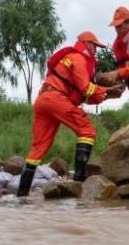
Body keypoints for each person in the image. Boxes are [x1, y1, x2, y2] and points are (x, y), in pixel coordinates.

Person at [17, 31, 123, 197]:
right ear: (86, 43)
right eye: (94, 46)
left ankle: (21, 195)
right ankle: (79, 180)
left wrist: (106, 95)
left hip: (43, 100)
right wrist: (108, 89)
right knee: (87, 131)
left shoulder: (68, 58)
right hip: (56, 99)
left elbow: (83, 97)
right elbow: (86, 89)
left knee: (38, 149)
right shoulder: (78, 58)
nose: (95, 50)